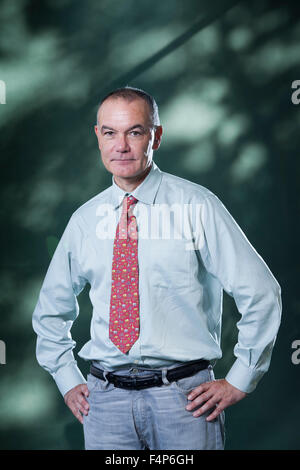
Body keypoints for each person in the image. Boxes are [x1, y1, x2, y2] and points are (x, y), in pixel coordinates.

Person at [32, 86, 282, 450]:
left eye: (135, 132)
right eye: (110, 133)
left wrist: (241, 377)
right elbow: (50, 311)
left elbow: (262, 292)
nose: (121, 146)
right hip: (105, 405)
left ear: (156, 137)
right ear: (98, 137)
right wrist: (67, 378)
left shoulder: (197, 206)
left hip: (184, 401)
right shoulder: (85, 221)